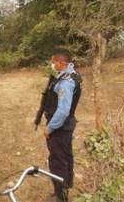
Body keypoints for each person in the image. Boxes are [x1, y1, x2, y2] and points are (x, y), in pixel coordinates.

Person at [40, 49, 82, 202]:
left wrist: (49, 128)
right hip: (67, 125)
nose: (52, 64)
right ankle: (66, 186)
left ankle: (60, 195)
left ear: (61, 63)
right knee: (66, 156)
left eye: (54, 62)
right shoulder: (72, 74)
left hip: (60, 127)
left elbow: (63, 111)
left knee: (57, 160)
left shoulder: (66, 82)